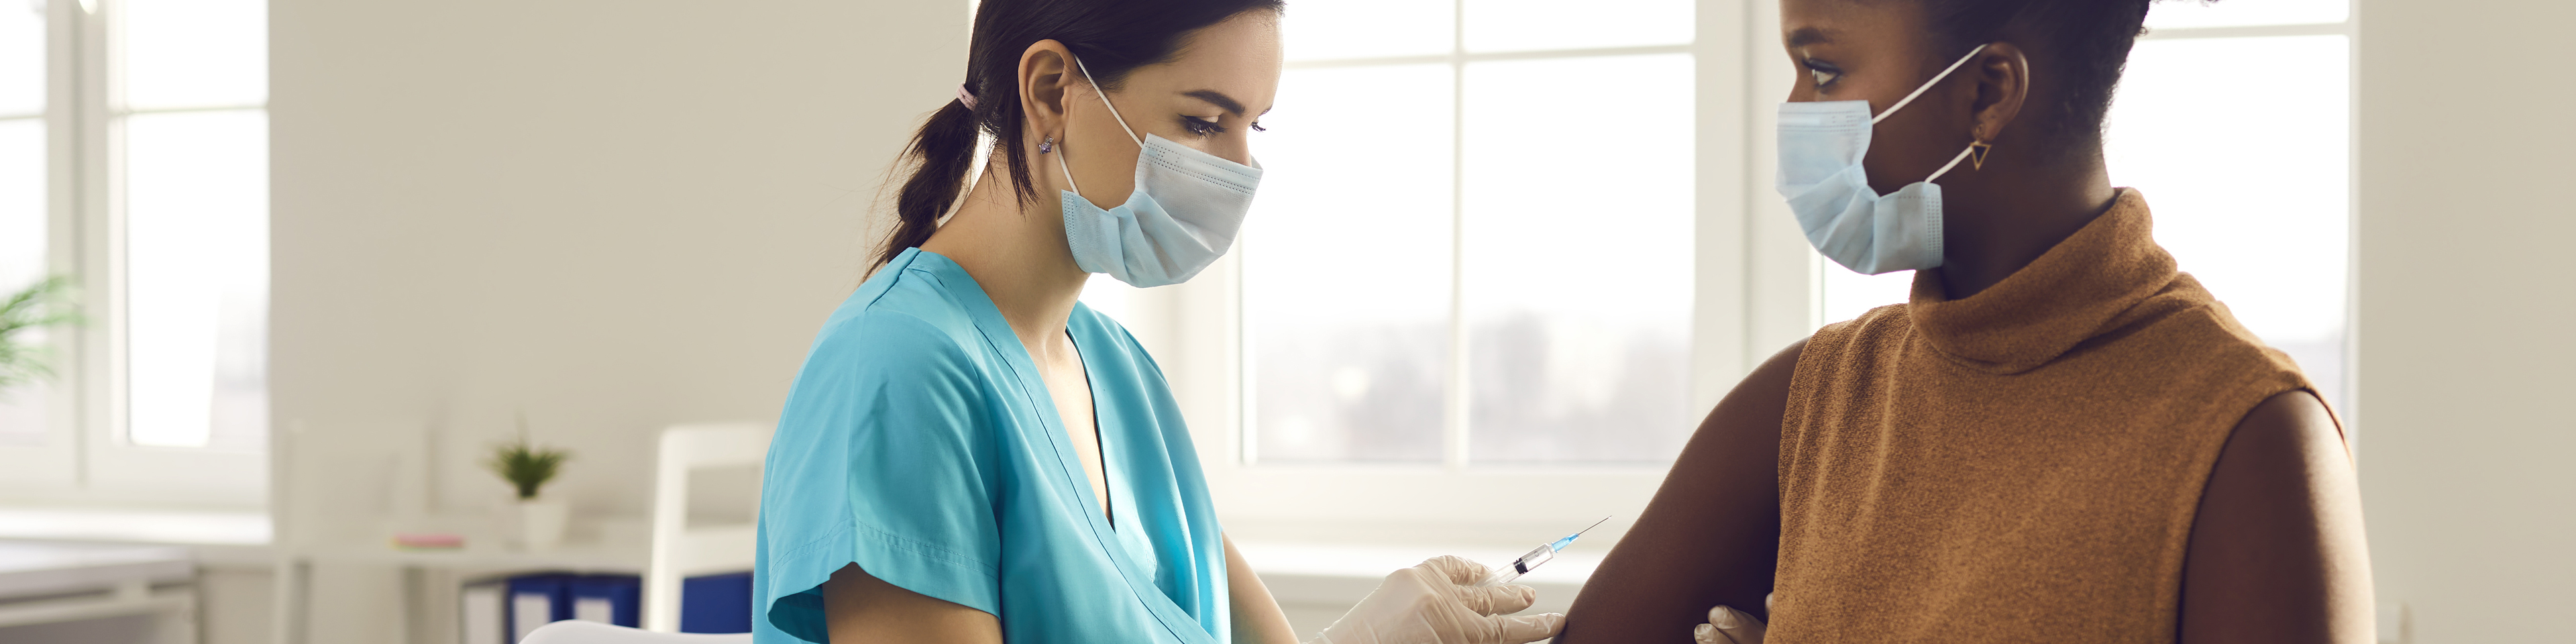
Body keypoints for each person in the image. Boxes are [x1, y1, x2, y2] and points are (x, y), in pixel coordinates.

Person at [1558, 0, 2373, 643]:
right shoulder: (1810, 404)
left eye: (1823, 69)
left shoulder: (2251, 444)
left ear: (1986, 93)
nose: (1795, 111)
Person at [751, 2, 1566, 643]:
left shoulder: (1120, 373)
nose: (1241, 170)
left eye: (1256, 126)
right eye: (1203, 122)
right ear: (1050, 92)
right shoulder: (895, 371)